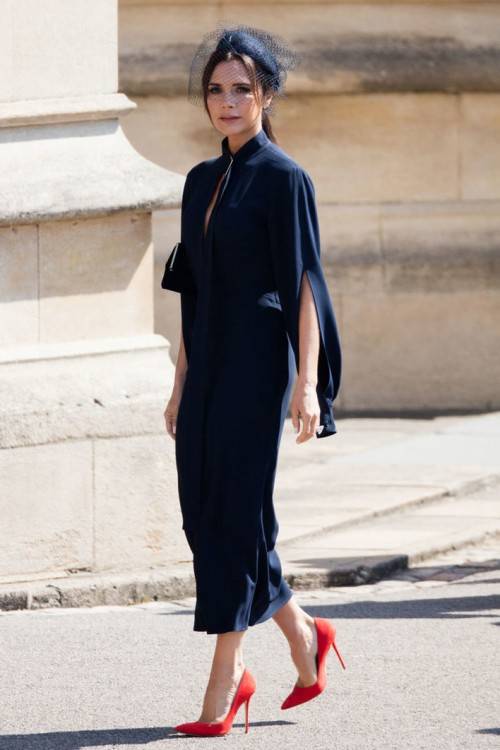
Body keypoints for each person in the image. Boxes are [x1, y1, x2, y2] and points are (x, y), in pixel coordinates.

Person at [161, 24, 345, 736]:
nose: (227, 101)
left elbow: (305, 284)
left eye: (242, 88)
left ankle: (226, 681)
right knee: (205, 512)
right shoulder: (201, 180)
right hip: (206, 365)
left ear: (266, 95)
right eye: (216, 89)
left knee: (236, 515)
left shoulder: (285, 177)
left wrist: (305, 384)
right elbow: (193, 292)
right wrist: (179, 383)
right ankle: (305, 635)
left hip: (258, 366)